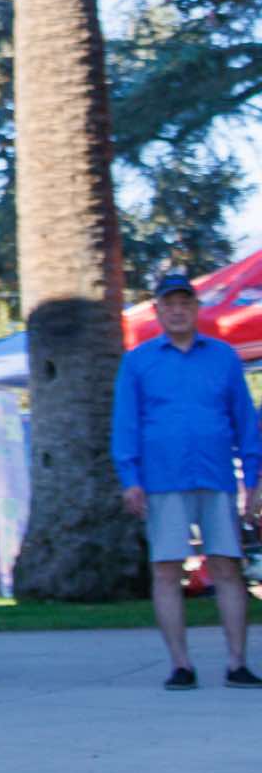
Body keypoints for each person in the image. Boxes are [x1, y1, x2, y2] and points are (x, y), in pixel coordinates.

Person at [112, 269, 262, 691]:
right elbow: (126, 424)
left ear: (196, 309)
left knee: (227, 566)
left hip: (216, 477)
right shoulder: (138, 362)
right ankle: (181, 665)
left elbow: (244, 421)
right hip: (163, 480)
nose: (177, 311)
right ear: (158, 311)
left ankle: (237, 663)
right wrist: (130, 478)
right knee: (166, 569)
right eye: (169, 304)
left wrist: (253, 478)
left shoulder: (223, 357)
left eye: (185, 303)